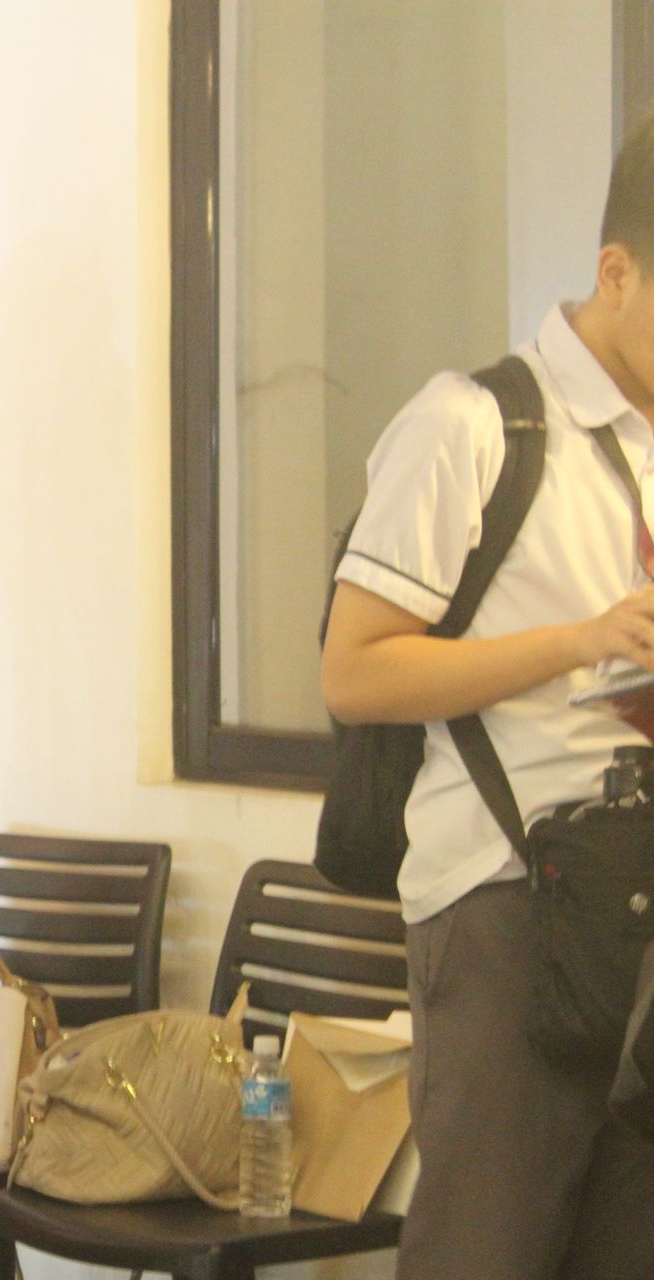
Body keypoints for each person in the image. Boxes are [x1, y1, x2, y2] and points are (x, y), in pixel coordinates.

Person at [321, 117, 654, 1279]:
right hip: (508, 909)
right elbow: (356, 669)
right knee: (486, 1253)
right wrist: (578, 641)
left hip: (636, 905)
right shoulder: (474, 424)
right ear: (617, 270)